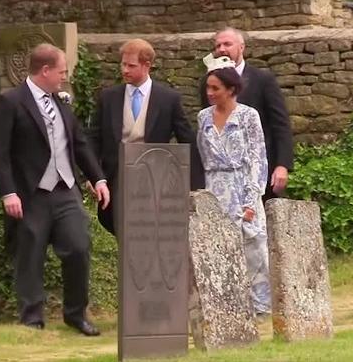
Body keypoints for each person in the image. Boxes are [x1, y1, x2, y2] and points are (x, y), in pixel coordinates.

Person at [0, 43, 110, 336]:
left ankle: (75, 314)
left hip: (66, 190)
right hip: (31, 193)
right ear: (45, 71)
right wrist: (8, 192)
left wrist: (99, 178)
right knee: (30, 255)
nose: (64, 77)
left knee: (79, 246)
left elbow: (78, 143)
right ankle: (32, 318)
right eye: (61, 72)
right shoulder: (10, 102)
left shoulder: (61, 103)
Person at [87, 38, 204, 235]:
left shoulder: (168, 99)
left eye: (131, 65)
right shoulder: (108, 97)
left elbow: (187, 139)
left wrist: (195, 187)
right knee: (121, 232)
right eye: (122, 64)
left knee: (148, 236)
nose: (124, 70)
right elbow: (93, 138)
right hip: (116, 179)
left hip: (153, 181)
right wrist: (94, 174)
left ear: (147, 65)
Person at [197, 53, 271, 316]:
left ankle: (260, 306)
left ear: (231, 89)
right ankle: (227, 304)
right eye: (208, 87)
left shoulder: (249, 116)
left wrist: (252, 198)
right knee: (219, 248)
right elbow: (203, 156)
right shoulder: (203, 117)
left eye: (215, 88)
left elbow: (257, 158)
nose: (210, 93)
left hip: (243, 186)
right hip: (215, 188)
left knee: (253, 247)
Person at [199, 27, 293, 201]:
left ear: (241, 47)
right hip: (220, 179)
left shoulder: (263, 80)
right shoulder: (208, 83)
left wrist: (282, 165)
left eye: (227, 44)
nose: (221, 49)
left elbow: (280, 124)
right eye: (218, 45)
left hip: (259, 172)